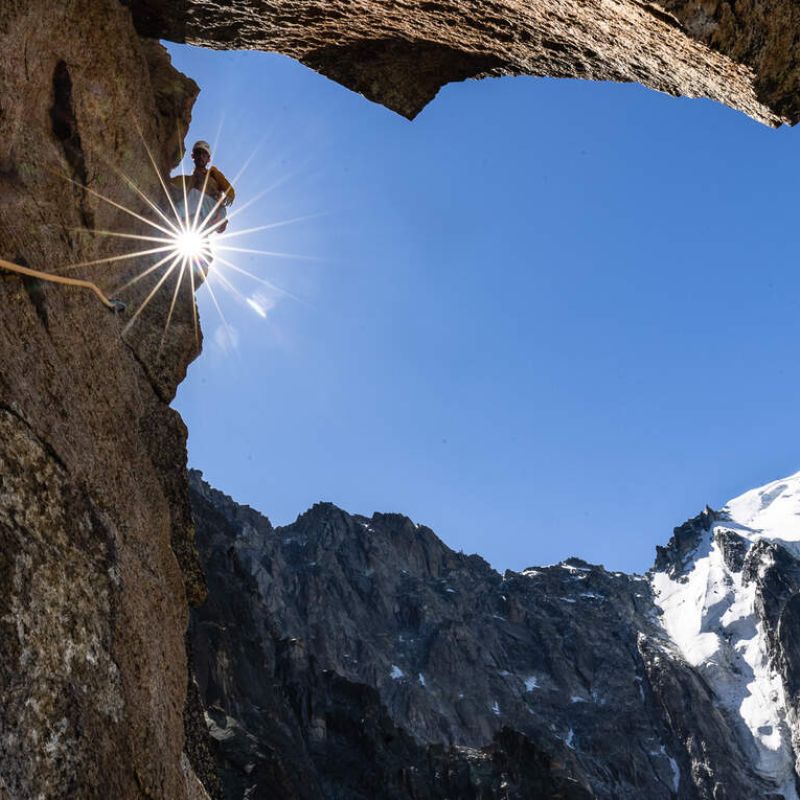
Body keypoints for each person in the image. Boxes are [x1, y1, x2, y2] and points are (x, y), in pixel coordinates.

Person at [169, 140, 235, 233]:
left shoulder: (213, 173)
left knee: (195, 195)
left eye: (204, 155)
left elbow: (229, 189)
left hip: (214, 210)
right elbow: (171, 184)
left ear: (208, 160)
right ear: (193, 156)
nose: (201, 156)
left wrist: (229, 195)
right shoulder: (188, 179)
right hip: (200, 215)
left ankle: (174, 216)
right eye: (198, 153)